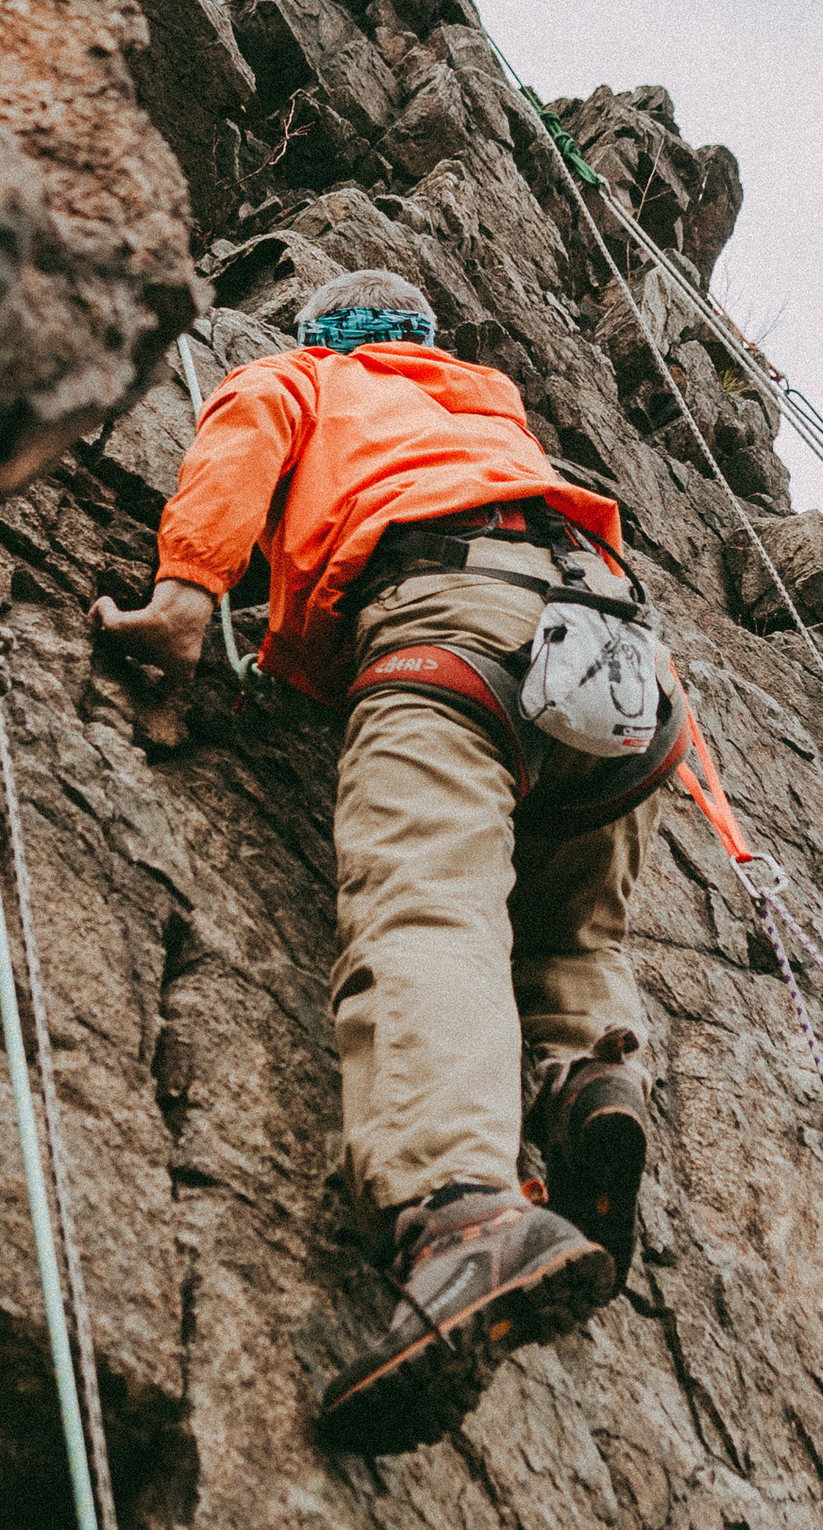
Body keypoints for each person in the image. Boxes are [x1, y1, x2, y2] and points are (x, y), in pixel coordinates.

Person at [94, 270, 689, 1455]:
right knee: (576, 933)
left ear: (325, 335)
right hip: (624, 669)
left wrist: (183, 600)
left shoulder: (305, 376)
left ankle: (465, 1215)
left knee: (431, 915)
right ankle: (589, 1085)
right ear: (426, 340)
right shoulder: (491, 415)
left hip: (450, 627)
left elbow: (237, 455)